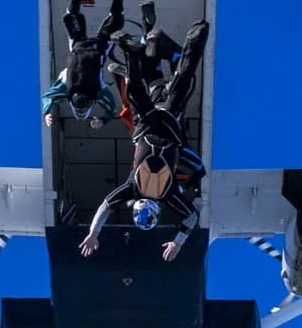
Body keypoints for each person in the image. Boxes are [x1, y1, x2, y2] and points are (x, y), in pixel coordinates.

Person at [80, 16, 210, 260]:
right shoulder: (135, 190)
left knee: (180, 82)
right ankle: (131, 53)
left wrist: (178, 242)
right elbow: (106, 207)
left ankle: (195, 39)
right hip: (152, 127)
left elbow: (190, 217)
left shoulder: (160, 193)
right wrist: (93, 232)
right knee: (139, 92)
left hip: (166, 126)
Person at [42, 0, 129, 126]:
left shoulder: (97, 92)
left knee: (116, 19)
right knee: (71, 15)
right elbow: (48, 96)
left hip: (99, 47)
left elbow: (111, 106)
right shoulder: (65, 88)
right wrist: (46, 112)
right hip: (78, 44)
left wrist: (104, 119)